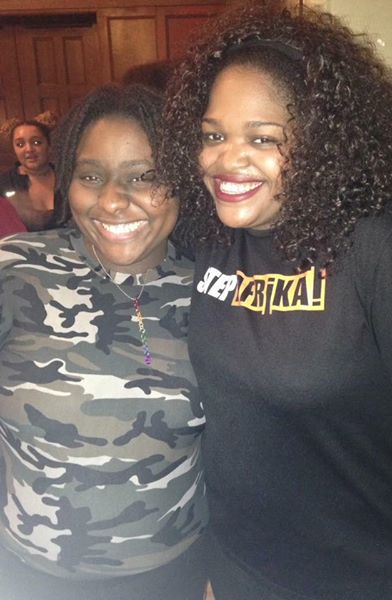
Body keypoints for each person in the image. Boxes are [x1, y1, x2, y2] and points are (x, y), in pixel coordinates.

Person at [159, 3, 392, 599]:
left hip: (351, 580)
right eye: (213, 135)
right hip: (235, 569)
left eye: (262, 138)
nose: (226, 160)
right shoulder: (212, 234)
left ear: (324, 142)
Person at [0, 84, 208, 600]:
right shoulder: (17, 270)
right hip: (30, 577)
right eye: (91, 176)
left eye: (144, 176)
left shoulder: (213, 288)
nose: (113, 200)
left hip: (172, 575)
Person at [0, 116, 56, 231]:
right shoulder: (3, 184)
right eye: (20, 144)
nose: (29, 149)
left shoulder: (67, 176)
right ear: (14, 149)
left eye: (36, 142)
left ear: (49, 145)